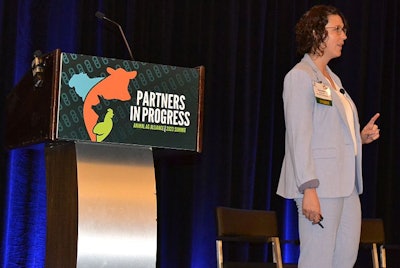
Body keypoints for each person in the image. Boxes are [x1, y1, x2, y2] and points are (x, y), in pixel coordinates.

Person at [276, 5, 380, 268]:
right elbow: (299, 137)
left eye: (343, 30)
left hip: (348, 187)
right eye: (336, 30)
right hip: (320, 187)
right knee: (317, 261)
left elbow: (330, 132)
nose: (343, 36)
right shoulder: (299, 77)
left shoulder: (333, 79)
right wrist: (309, 189)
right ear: (315, 33)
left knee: (344, 261)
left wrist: (359, 137)